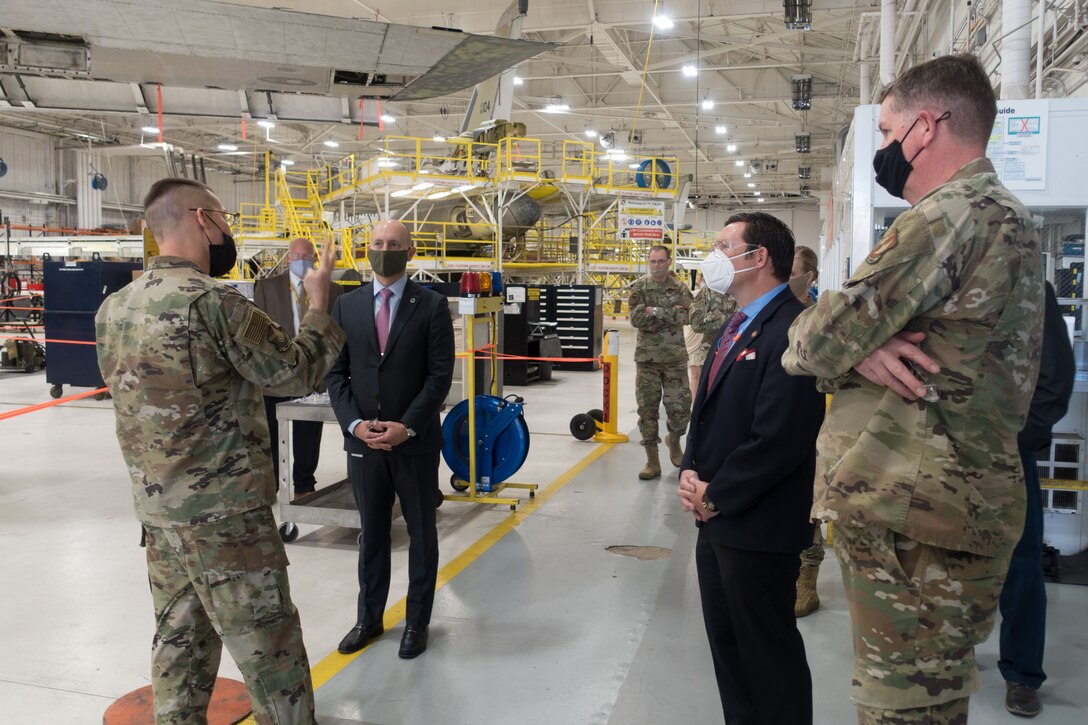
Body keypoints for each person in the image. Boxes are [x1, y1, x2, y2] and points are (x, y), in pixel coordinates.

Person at [781, 54, 1044, 724]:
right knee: (935, 696)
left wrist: (848, 343)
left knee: (902, 705)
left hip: (912, 513)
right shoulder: (1006, 216)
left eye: (887, 130)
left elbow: (812, 342)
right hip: (958, 504)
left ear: (925, 127)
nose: (884, 147)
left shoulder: (946, 216)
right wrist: (865, 347)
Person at [95, 178, 346, 724]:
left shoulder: (114, 309)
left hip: (160, 516)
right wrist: (320, 304)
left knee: (179, 647)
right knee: (270, 650)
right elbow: (294, 373)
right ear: (200, 218)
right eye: (224, 217)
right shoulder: (215, 303)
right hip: (226, 521)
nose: (228, 228)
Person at [677, 212, 825, 724]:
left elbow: (780, 437)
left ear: (758, 257)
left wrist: (716, 494)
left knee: (768, 655)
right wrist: (690, 469)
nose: (713, 256)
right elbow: (705, 409)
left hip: (759, 525)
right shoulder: (733, 324)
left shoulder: (795, 327)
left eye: (724, 246)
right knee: (729, 650)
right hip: (716, 521)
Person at [326, 219, 455, 660]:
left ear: (410, 252)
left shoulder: (432, 305)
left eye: (394, 243)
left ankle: (417, 621)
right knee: (373, 534)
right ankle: (369, 619)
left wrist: (408, 426)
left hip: (414, 444)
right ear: (368, 249)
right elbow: (336, 374)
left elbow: (439, 376)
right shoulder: (346, 305)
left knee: (421, 533)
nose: (385, 249)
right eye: (378, 242)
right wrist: (354, 425)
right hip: (364, 444)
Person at [999, 281, 1074, 718]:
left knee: (1021, 565)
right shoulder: (937, 283)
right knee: (944, 558)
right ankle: (951, 652)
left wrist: (1023, 438)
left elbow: (1055, 372)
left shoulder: (1027, 284)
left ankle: (1022, 674)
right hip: (942, 452)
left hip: (1007, 450)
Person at [254, 237, 344, 498]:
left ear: (314, 258)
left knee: (308, 435)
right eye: (297, 256)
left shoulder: (333, 290)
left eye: (307, 256)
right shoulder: (267, 287)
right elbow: (258, 332)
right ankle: (273, 484)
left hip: (313, 375)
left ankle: (304, 484)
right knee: (271, 435)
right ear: (288, 258)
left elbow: (336, 330)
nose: (301, 261)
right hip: (275, 376)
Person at [628, 244, 694, 479]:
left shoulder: (680, 288)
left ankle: (674, 440)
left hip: (675, 359)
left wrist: (655, 311)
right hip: (647, 360)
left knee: (680, 409)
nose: (656, 266)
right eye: (652, 261)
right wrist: (670, 314)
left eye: (660, 261)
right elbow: (636, 318)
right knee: (647, 411)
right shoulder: (640, 287)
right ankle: (652, 461)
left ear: (669, 262)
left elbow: (689, 316)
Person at [789, 245, 825, 618]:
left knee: (810, 502)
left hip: (814, 423)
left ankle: (808, 581)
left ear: (809, 277)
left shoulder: (819, 317)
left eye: (792, 272)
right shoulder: (774, 312)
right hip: (778, 421)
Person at [685, 275, 736, 399]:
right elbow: (696, 323)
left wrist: (711, 318)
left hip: (734, 353)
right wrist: (728, 320)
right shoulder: (707, 291)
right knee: (706, 394)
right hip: (709, 354)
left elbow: (745, 319)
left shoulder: (739, 289)